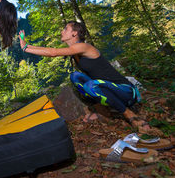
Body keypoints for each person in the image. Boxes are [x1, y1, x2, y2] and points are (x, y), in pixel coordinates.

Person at [18, 21, 155, 133]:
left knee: (91, 85)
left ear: (74, 33)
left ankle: (129, 115)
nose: (62, 31)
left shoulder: (83, 47)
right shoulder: (75, 53)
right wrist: (25, 44)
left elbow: (53, 52)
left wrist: (25, 47)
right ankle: (102, 110)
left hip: (125, 92)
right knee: (75, 77)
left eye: (65, 29)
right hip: (107, 89)